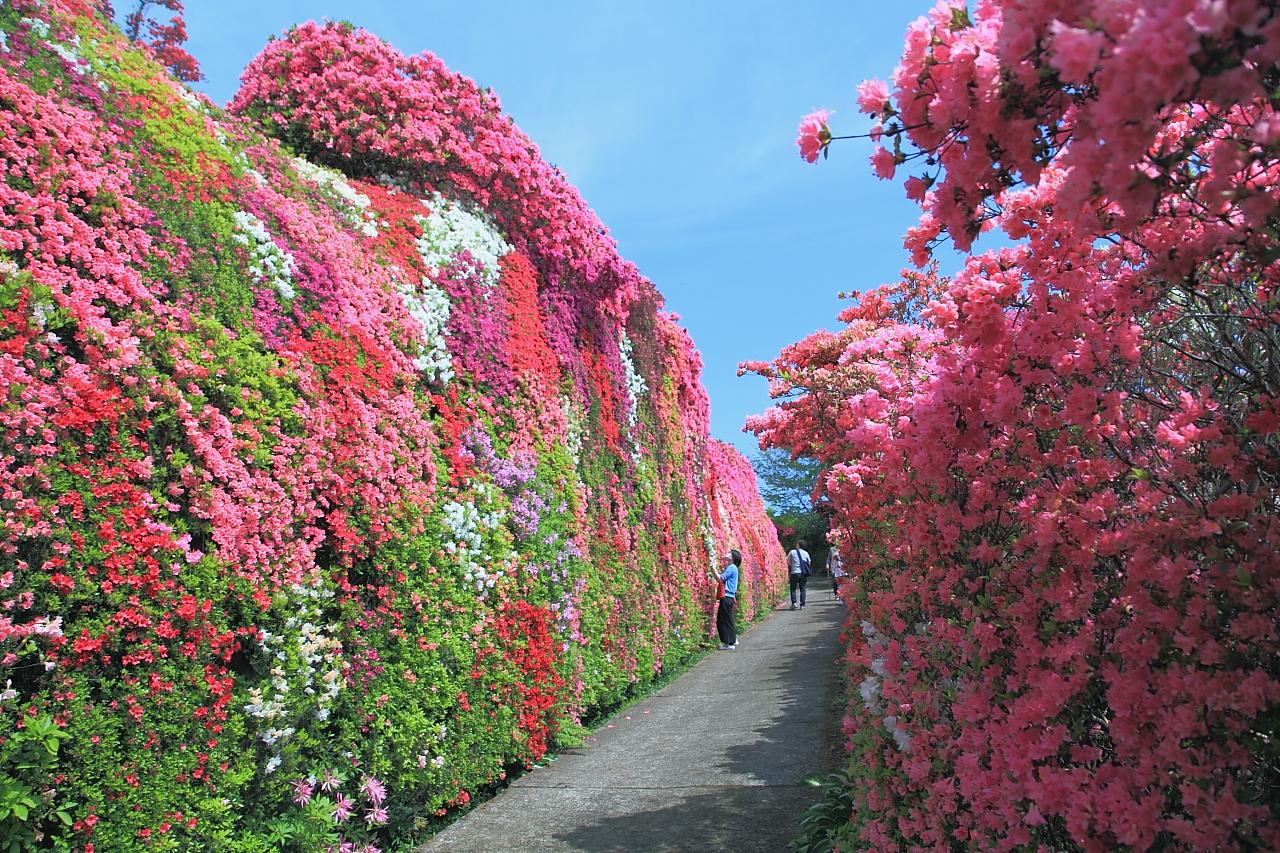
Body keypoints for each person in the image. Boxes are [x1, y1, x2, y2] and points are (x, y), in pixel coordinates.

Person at [709, 549, 741, 649]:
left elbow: (720, 579)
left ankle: (729, 643)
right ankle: (732, 639)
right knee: (728, 619)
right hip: (729, 597)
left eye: (729, 553)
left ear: (732, 557)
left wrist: (713, 568)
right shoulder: (732, 567)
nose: (727, 553)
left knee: (723, 620)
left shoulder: (731, 567)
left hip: (727, 597)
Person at [787, 541, 811, 609]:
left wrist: (792, 565)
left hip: (794, 572)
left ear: (798, 545)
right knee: (802, 589)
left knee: (793, 588)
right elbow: (809, 562)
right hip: (803, 573)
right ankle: (802, 605)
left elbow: (787, 561)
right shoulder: (806, 553)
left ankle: (794, 603)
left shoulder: (792, 552)